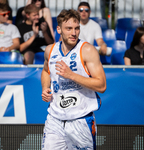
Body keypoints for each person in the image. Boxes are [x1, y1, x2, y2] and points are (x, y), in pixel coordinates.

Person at [41, 9, 106, 149]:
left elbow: (101, 85)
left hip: (81, 120)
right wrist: (45, 87)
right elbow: (46, 71)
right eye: (69, 28)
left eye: (77, 28)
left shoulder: (87, 50)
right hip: (55, 119)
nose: (74, 33)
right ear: (59, 29)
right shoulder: (50, 50)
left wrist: (71, 75)